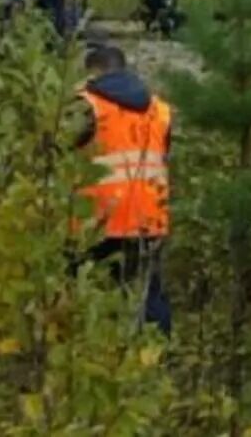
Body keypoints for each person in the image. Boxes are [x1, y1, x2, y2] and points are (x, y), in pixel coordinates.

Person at [71, 44, 173, 335]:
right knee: (148, 295)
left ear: (92, 71)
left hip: (98, 220)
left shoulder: (86, 105)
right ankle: (155, 360)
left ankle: (96, 359)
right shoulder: (159, 110)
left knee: (87, 296)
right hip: (149, 218)